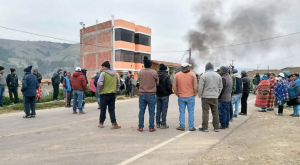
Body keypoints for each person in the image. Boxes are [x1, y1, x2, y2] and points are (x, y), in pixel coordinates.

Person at [173, 62, 198, 132]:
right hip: (190, 96)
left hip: (181, 96)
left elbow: (174, 86)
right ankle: (191, 126)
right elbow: (195, 86)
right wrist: (195, 93)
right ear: (187, 67)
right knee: (191, 112)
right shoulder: (192, 74)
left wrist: (177, 94)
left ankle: (182, 125)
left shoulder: (177, 75)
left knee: (182, 112)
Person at [198, 63, 222, 132]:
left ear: (206, 68)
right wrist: (217, 94)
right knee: (215, 112)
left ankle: (205, 128)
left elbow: (201, 87)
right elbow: (220, 87)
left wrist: (200, 95)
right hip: (215, 96)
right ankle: (216, 127)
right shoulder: (218, 76)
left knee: (205, 112)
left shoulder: (204, 75)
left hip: (206, 96)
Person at [97, 61, 121, 129]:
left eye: (102, 67)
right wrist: (115, 90)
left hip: (104, 94)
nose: (101, 68)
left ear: (105, 67)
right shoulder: (115, 74)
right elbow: (118, 84)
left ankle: (101, 123)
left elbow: (100, 83)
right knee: (111, 109)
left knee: (103, 109)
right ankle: (114, 123)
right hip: (112, 94)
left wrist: (100, 90)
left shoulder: (103, 73)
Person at [137, 56, 159, 132]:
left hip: (142, 94)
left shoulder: (140, 72)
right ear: (150, 65)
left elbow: (138, 81)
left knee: (141, 111)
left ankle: (140, 127)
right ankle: (151, 127)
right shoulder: (154, 72)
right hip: (151, 94)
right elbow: (157, 82)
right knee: (152, 112)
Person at [156, 64, 173, 129]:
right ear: (165, 69)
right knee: (164, 110)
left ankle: (157, 123)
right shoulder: (166, 76)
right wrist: (170, 92)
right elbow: (169, 85)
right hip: (165, 95)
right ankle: (163, 124)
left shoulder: (156, 75)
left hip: (157, 94)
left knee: (158, 109)